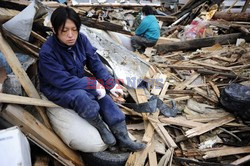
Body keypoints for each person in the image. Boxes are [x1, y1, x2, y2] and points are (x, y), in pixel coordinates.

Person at [38, 6, 145, 152]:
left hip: (77, 80)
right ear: (54, 29)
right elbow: (60, 80)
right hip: (56, 88)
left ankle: (124, 139)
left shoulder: (81, 40)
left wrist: (110, 84)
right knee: (82, 97)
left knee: (105, 97)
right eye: (64, 30)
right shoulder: (48, 51)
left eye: (74, 29)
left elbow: (95, 63)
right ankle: (100, 127)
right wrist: (91, 84)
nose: (70, 35)